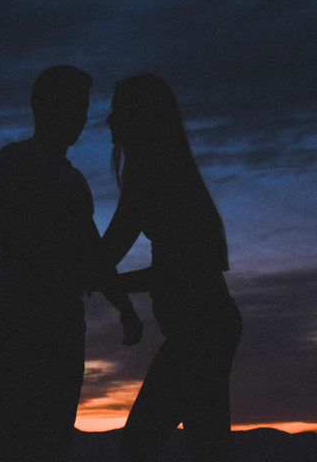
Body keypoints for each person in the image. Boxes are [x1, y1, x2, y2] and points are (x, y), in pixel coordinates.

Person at [0, 65, 141, 462]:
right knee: (1, 431)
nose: (80, 118)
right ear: (41, 108)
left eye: (81, 108)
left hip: (61, 321)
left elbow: (93, 252)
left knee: (50, 435)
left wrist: (125, 306)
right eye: (70, 107)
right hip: (20, 316)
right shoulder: (11, 163)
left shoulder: (73, 181)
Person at [100, 74, 242, 462]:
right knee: (208, 447)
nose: (108, 121)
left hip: (199, 335)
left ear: (138, 117)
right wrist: (103, 278)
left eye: (117, 112)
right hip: (206, 331)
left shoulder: (152, 177)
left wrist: (94, 278)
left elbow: (112, 256)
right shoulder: (169, 175)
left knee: (138, 444)